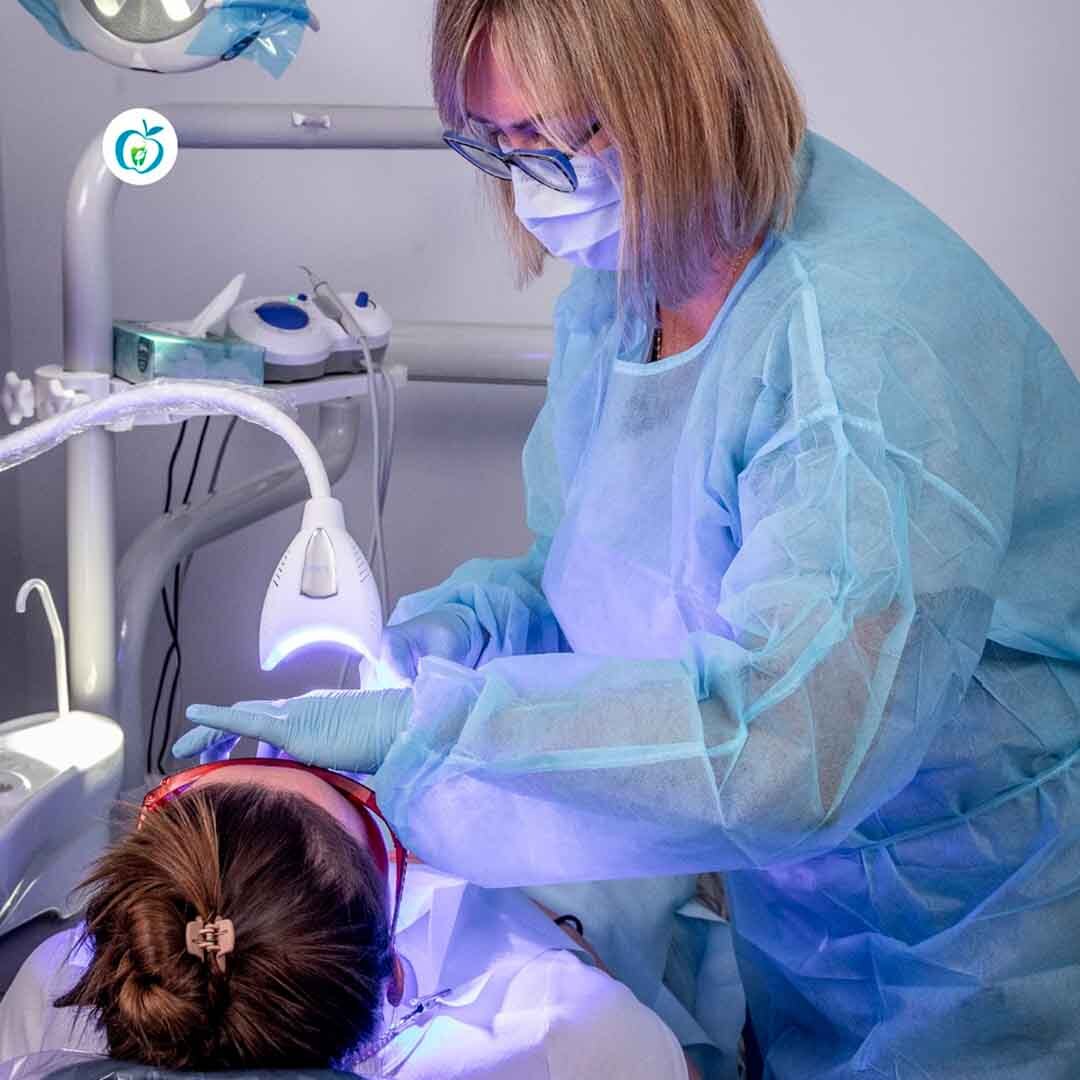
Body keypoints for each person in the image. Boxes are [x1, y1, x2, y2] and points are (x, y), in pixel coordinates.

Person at [177, 0, 1080, 1076]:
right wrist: (455, 641)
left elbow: (797, 745)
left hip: (973, 921)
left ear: (687, 92)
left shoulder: (861, 348)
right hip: (799, 913)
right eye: (496, 143)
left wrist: (454, 726)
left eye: (565, 137)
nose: (532, 182)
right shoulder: (626, 291)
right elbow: (608, 570)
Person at [0, 758, 693, 1079]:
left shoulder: (54, 981)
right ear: (392, 978)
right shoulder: (558, 1021)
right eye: (347, 792)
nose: (266, 749)